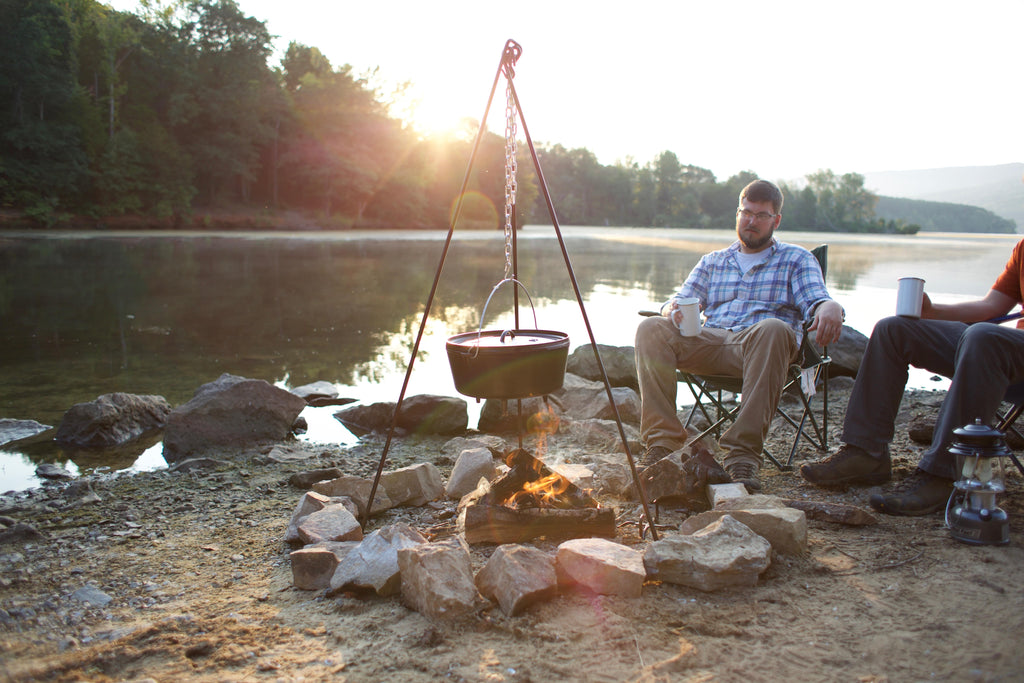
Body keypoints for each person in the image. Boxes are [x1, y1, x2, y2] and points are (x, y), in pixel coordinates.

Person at [634, 179, 844, 492]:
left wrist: (830, 306)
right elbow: (680, 299)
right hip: (709, 341)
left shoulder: (797, 259)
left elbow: (816, 298)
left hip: (760, 346)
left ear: (776, 220)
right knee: (650, 328)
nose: (751, 221)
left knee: (774, 328)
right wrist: (670, 310)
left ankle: (742, 456)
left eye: (761, 215)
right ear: (737, 214)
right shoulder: (713, 261)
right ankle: (662, 446)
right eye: (746, 213)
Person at [800, 239, 1024, 515]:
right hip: (1007, 351)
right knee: (893, 329)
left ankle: (945, 473)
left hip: (1003, 348)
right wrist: (932, 311)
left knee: (983, 337)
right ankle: (866, 453)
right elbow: (992, 306)